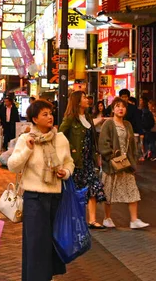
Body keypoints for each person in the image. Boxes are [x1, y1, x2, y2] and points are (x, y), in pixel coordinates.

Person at [8, 99, 74, 281]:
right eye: (45, 114)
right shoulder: (26, 139)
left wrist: (66, 172)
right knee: (36, 245)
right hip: (34, 199)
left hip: (56, 198)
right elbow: (12, 166)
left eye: (51, 113)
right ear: (35, 119)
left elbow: (69, 161)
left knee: (52, 244)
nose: (50, 117)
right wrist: (28, 150)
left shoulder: (60, 139)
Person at [99, 96, 149, 229]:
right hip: (112, 164)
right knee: (108, 191)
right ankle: (107, 217)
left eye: (123, 106)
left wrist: (133, 161)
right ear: (113, 109)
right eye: (117, 106)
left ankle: (134, 219)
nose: (120, 109)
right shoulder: (108, 124)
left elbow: (132, 145)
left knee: (132, 190)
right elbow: (103, 143)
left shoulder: (128, 125)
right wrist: (111, 157)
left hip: (126, 164)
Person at [59, 91, 107, 229]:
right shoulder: (70, 118)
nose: (87, 99)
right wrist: (72, 149)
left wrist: (96, 155)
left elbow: (92, 139)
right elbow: (61, 135)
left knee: (93, 187)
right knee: (76, 191)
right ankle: (75, 219)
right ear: (78, 101)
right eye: (84, 97)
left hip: (88, 160)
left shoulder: (88, 117)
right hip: (76, 161)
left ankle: (92, 220)